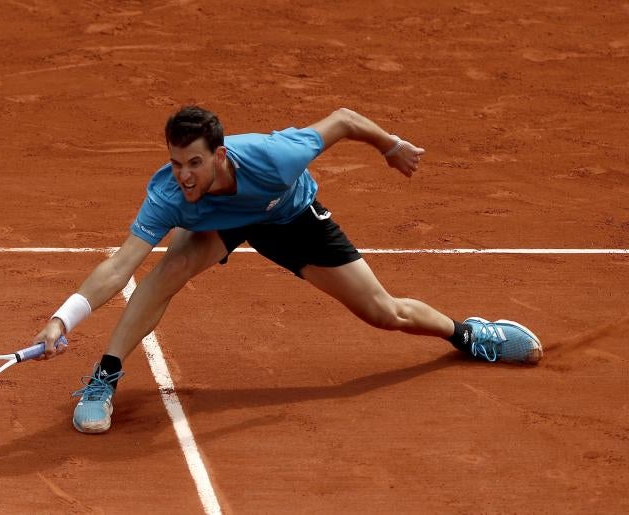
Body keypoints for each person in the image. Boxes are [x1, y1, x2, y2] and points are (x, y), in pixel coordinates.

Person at [33, 106, 543, 434]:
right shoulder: (170, 192)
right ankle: (106, 376)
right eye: (175, 162)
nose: (182, 174)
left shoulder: (276, 158)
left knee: (384, 313)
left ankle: (468, 334)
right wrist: (63, 320)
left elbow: (342, 120)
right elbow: (120, 264)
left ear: (220, 156)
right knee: (168, 269)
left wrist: (390, 146)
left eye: (193, 162)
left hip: (289, 215)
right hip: (219, 224)